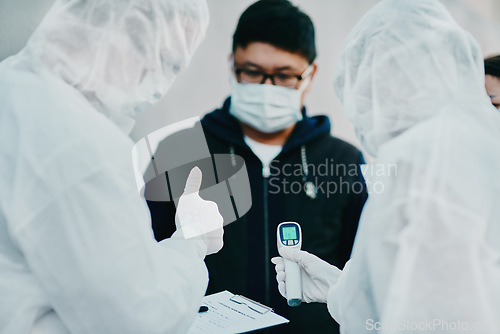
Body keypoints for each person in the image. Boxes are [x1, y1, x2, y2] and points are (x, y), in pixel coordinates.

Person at [272, 0, 500, 333]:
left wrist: (355, 299)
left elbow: (426, 317)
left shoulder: (417, 160)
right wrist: (342, 289)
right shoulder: (481, 144)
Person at [0, 0, 225, 333]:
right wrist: (192, 240)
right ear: (120, 35)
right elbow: (138, 318)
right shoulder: (81, 144)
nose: (161, 85)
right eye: (165, 61)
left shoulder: (12, 86)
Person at [147, 0, 367, 333]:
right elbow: (146, 262)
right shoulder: (181, 151)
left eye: (284, 76)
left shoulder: (343, 160)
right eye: (252, 72)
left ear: (310, 74)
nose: (267, 88)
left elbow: (363, 271)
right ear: (232, 65)